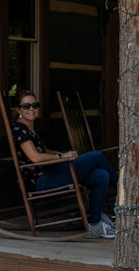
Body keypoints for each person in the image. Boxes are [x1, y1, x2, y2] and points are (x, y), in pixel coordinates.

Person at [10, 90, 119, 239]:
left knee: (101, 175)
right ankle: (124, 194)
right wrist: (61, 157)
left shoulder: (30, 127)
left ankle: (94, 223)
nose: (31, 109)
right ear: (18, 110)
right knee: (96, 156)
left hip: (50, 173)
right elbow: (35, 157)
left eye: (35, 105)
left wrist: (61, 153)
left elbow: (43, 150)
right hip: (41, 180)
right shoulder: (19, 129)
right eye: (26, 106)